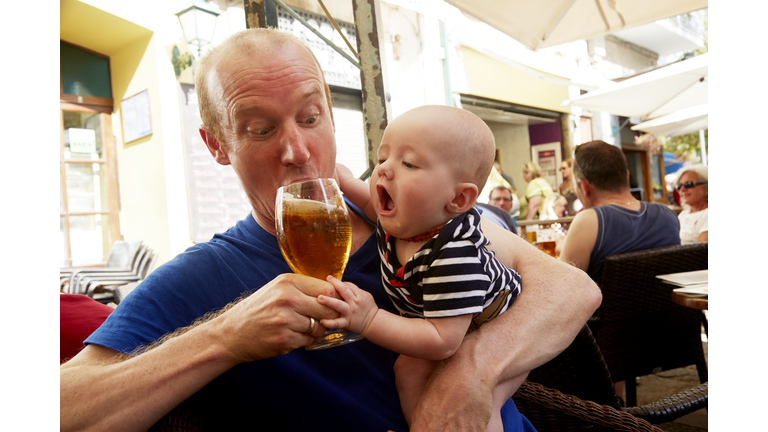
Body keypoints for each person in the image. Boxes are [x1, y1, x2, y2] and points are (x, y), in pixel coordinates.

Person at [60, 28, 602, 432]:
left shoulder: (409, 219)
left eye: (311, 117)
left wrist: (473, 375)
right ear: (216, 145)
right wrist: (224, 337)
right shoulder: (207, 274)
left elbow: (572, 288)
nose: (296, 150)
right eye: (259, 128)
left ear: (332, 119)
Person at [329, 105, 525, 431]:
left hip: (495, 329)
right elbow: (367, 203)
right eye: (381, 159)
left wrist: (370, 319)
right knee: (408, 368)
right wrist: (343, 179)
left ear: (458, 200)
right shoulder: (404, 222)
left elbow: (442, 340)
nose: (385, 171)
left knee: (475, 397)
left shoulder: (454, 255)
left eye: (408, 163)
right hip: (450, 324)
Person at [558, 141, 681, 284]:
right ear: (627, 176)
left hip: (607, 307)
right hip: (667, 306)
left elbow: (564, 286)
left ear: (584, 187)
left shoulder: (590, 220)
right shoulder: (667, 215)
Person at [674, 165, 708, 244]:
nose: (682, 189)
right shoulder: (684, 214)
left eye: (688, 184)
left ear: (707, 188)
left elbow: (703, 253)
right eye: (679, 186)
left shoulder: (707, 214)